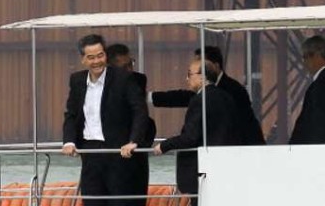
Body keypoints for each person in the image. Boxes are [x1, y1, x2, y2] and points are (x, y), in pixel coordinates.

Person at [62, 34, 150, 206]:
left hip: (118, 152)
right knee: (92, 201)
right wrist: (69, 142)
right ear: (83, 60)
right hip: (90, 153)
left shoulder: (123, 78)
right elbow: (71, 114)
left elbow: (140, 110)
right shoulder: (77, 80)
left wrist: (134, 141)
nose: (97, 61)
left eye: (100, 55)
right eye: (91, 57)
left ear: (106, 56)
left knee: (120, 201)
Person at [153, 58, 238, 205]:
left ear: (202, 76)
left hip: (200, 172)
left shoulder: (200, 100)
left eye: (189, 74)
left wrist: (165, 145)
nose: (187, 78)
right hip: (224, 166)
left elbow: (191, 137)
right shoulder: (226, 98)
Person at [150, 45, 264, 145]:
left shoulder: (232, 89)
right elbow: (183, 97)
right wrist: (150, 97)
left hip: (245, 145)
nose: (196, 65)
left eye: (201, 62)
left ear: (215, 65)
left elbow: (239, 123)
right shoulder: (207, 90)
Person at [106, 43, 155, 206]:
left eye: (131, 64)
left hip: (133, 149)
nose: (129, 70)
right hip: (109, 151)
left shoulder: (137, 80)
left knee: (135, 195)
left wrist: (135, 140)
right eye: (124, 66)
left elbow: (139, 112)